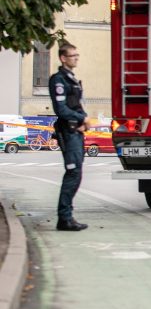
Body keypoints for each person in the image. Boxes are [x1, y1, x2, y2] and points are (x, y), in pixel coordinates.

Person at [49, 43, 92, 231]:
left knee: (76, 173)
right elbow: (61, 109)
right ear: (63, 58)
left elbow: (76, 104)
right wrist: (82, 118)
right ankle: (64, 218)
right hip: (69, 132)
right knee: (73, 172)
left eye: (77, 55)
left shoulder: (71, 79)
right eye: (72, 55)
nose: (76, 58)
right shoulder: (58, 80)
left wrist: (83, 120)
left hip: (77, 132)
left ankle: (67, 216)